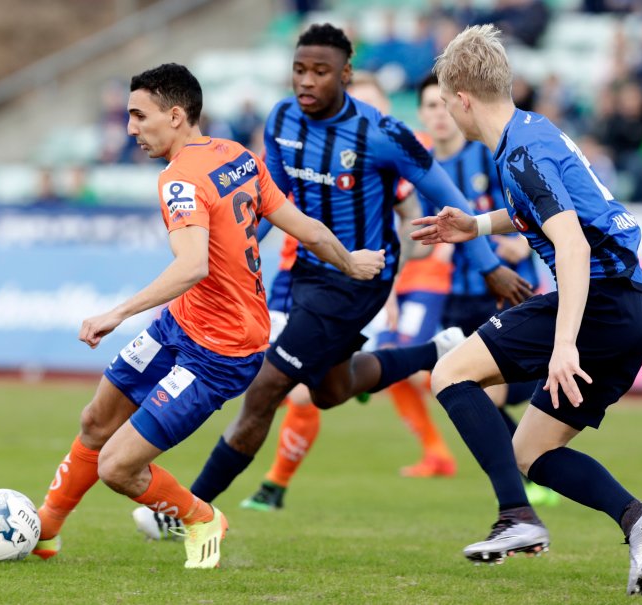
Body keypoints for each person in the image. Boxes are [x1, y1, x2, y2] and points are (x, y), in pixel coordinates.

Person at [30, 62, 386, 568]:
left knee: (117, 467)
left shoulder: (178, 179)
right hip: (180, 324)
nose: (130, 128)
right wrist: (350, 262)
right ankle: (46, 527)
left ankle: (201, 516)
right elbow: (304, 226)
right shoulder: (236, 156)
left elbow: (192, 265)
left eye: (140, 116)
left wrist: (117, 313)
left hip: (222, 351)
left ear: (176, 116)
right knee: (96, 420)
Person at [187, 23, 534, 507]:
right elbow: (270, 199)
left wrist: (488, 263)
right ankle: (434, 351)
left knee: (266, 387)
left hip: (359, 278)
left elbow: (446, 193)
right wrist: (229, 256)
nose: (307, 81)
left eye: (320, 71)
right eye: (299, 70)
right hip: (306, 271)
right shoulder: (282, 118)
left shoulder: (383, 133)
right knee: (331, 390)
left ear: (345, 73)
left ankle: (189, 508)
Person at [412, 25, 642, 595]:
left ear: (462, 100)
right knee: (531, 452)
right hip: (633, 308)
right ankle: (638, 519)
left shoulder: (521, 154)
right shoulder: (532, 131)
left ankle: (516, 517)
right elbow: (546, 211)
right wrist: (476, 225)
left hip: (599, 301)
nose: (446, 113)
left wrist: (563, 345)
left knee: (450, 373)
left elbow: (573, 245)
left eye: (445, 102)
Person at [415, 73, 559, 506]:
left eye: (443, 104)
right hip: (455, 297)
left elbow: (528, 207)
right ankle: (528, 476)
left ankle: (525, 481)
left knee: (485, 388)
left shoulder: (487, 155)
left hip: (505, 293)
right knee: (465, 387)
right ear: (421, 114)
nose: (439, 114)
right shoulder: (423, 169)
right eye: (430, 106)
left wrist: (518, 243)